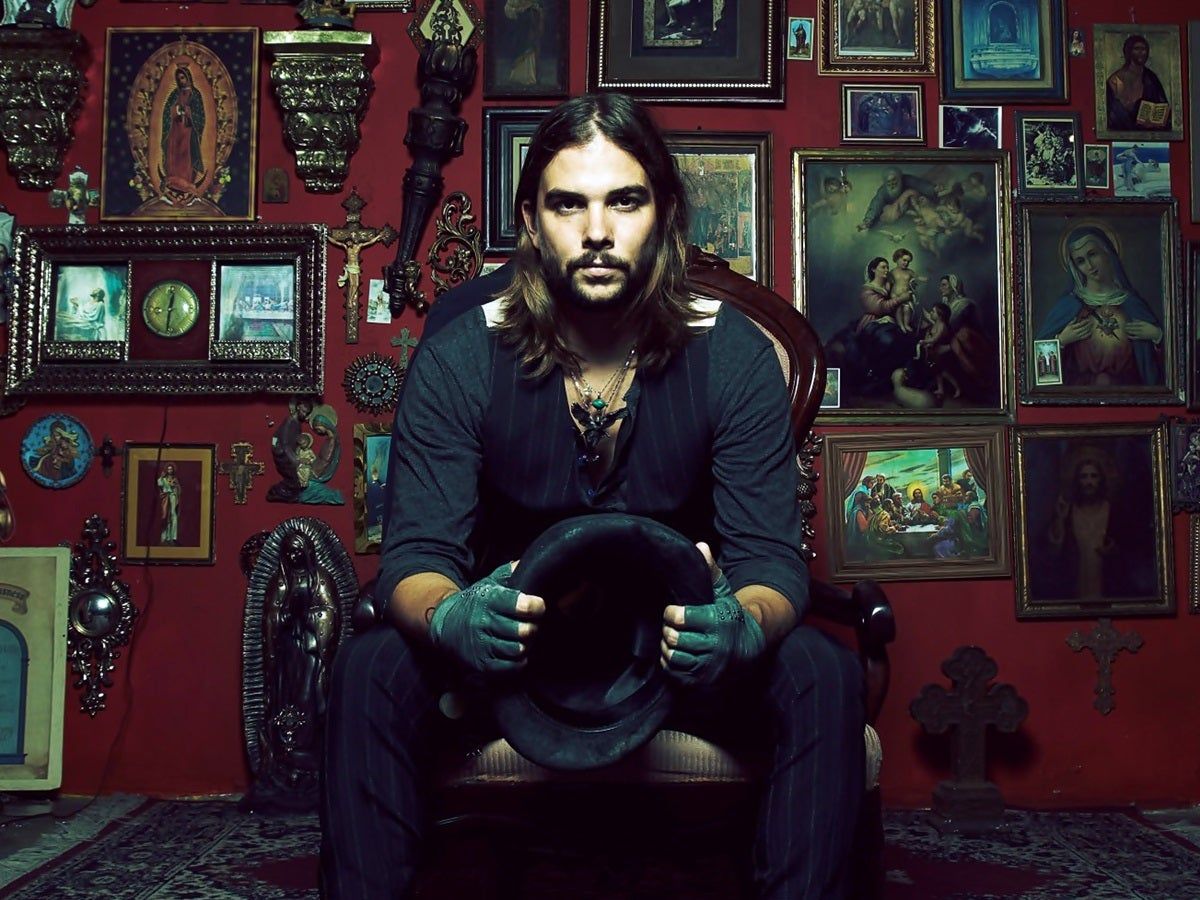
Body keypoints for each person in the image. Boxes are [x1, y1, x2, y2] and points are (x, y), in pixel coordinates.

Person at [321, 92, 864, 900]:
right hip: (512, 657)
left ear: (665, 215)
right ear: (531, 222)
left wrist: (742, 624)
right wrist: (453, 615)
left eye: (625, 201)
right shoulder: (462, 355)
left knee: (822, 669)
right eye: (569, 204)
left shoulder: (735, 356)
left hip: (677, 655)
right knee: (370, 666)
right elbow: (415, 557)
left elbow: (772, 564)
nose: (598, 231)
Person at [1035, 225, 1163, 387]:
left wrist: (1157, 335)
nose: (1089, 266)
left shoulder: (1132, 304)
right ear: (1075, 267)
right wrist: (1060, 341)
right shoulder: (1069, 306)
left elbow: (1167, 372)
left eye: (1092, 254)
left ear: (1107, 252)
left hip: (1128, 395)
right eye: (1080, 261)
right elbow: (1041, 375)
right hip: (1079, 396)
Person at [1106, 34, 1171, 132]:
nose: (1141, 52)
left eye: (1144, 49)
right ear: (1128, 51)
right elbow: (1111, 112)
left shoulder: (1151, 78)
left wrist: (1156, 120)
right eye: (1136, 49)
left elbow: (1162, 106)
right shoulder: (1115, 80)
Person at [161, 65, 206, 195]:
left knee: (185, 155)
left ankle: (186, 182)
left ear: (188, 77)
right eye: (179, 78)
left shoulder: (195, 94)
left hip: (188, 131)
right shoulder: (175, 94)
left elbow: (200, 115)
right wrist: (174, 110)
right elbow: (167, 110)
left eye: (183, 77)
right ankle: (172, 181)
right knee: (174, 154)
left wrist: (188, 111)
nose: (181, 81)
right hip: (175, 130)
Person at [157, 463, 180, 545]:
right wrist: (161, 477)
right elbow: (159, 484)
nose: (170, 470)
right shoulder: (163, 479)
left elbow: (179, 488)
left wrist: (175, 487)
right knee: (166, 516)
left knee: (174, 516)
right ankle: (165, 537)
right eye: (168, 469)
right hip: (166, 498)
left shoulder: (175, 479)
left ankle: (173, 537)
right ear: (166, 470)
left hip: (173, 497)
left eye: (171, 469)